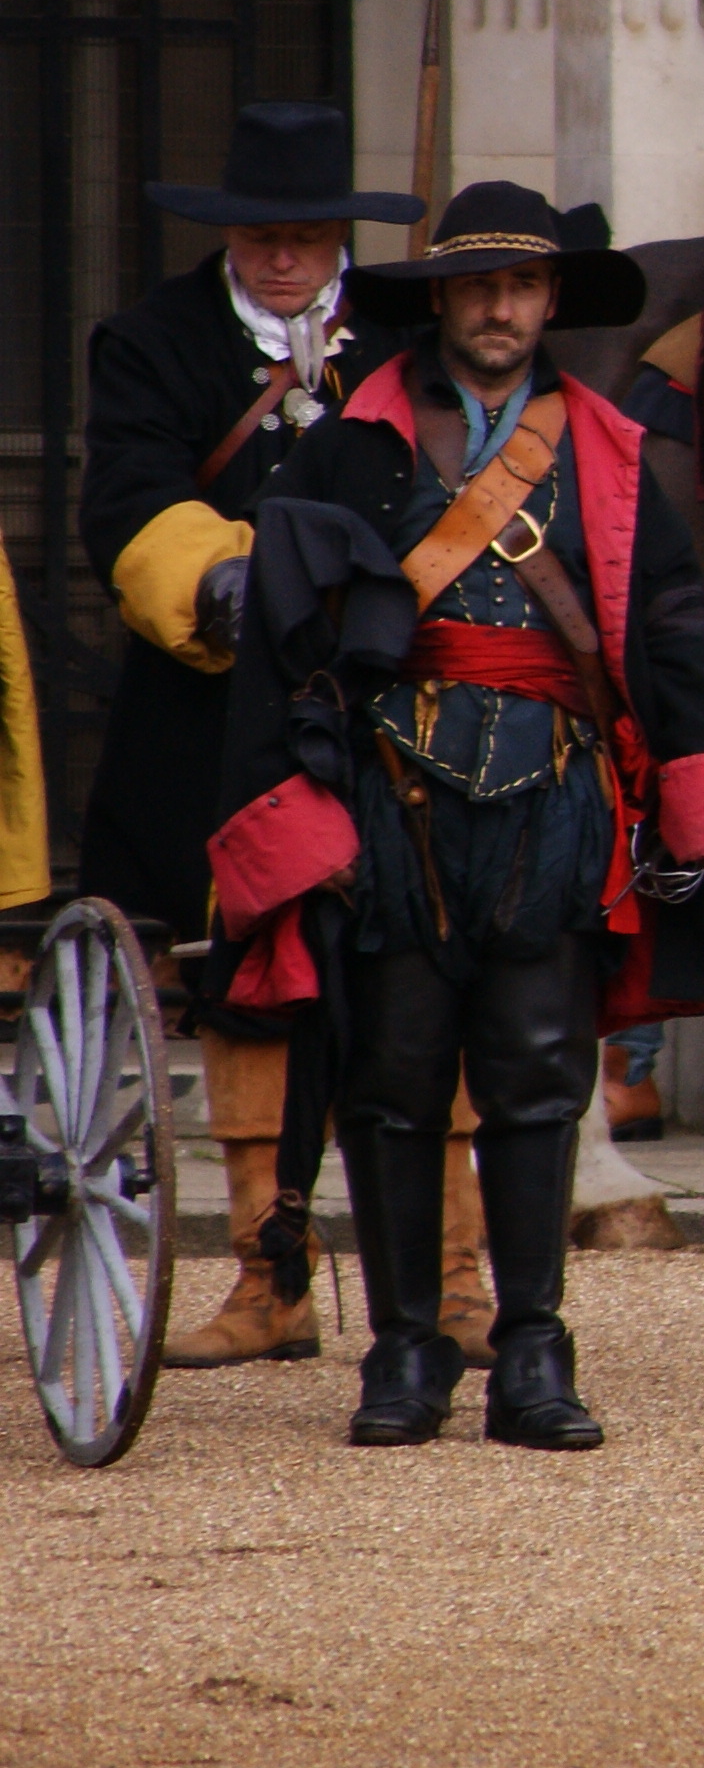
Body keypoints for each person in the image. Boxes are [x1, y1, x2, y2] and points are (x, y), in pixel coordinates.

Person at [204, 185, 704, 1449]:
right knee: (395, 1084)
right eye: (478, 287)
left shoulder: (615, 449)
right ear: (444, 301)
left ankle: (531, 1352)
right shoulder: (347, 447)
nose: (502, 308)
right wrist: (290, 829)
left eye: (523, 286)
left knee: (533, 1083)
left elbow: (673, 625)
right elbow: (288, 649)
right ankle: (403, 1354)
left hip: (556, 799)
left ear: (550, 300)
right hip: (390, 804)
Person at [67, 105, 485, 1369]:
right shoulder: (148, 346)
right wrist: (235, 585)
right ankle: (269, 1284)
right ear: (230, 234)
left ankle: (458, 1284)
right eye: (265, 237)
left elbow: (468, 488)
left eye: (308, 237)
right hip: (221, 710)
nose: (287, 259)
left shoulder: (413, 341)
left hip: (398, 705)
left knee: (435, 984)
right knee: (251, 981)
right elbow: (128, 499)